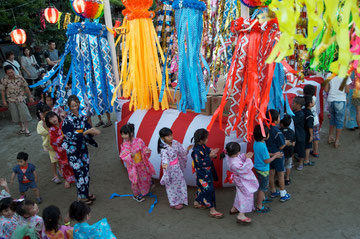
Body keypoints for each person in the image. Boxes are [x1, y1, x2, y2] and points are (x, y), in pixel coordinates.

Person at [61, 95, 100, 205]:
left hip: (82, 149)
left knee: (86, 172)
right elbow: (71, 136)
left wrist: (92, 131)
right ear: (68, 107)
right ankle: (82, 198)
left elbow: (87, 128)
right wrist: (87, 132)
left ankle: (85, 193)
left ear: (78, 104)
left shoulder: (82, 117)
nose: (74, 107)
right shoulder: (67, 120)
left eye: (75, 105)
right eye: (71, 106)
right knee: (79, 174)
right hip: (73, 151)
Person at [222, 142, 258, 224]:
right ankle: (241, 214)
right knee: (247, 194)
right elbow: (244, 169)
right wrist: (248, 159)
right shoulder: (234, 163)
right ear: (237, 152)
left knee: (240, 193)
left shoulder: (229, 157)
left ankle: (235, 208)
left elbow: (238, 158)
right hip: (242, 180)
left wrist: (245, 156)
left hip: (238, 180)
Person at [191, 129, 223, 219]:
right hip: (202, 173)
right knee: (208, 190)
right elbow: (199, 163)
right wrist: (210, 156)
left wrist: (212, 152)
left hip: (206, 173)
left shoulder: (203, 146)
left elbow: (208, 151)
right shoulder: (196, 151)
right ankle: (212, 209)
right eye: (206, 138)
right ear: (201, 140)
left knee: (201, 188)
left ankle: (197, 202)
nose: (207, 139)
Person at [120, 123, 155, 202]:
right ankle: (136, 195)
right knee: (135, 181)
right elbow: (123, 155)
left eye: (125, 134)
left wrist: (146, 151)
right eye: (122, 134)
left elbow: (143, 148)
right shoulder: (124, 145)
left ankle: (146, 188)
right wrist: (130, 155)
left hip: (141, 163)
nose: (123, 136)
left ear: (131, 133)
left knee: (144, 176)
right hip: (133, 166)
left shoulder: (139, 141)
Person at [158, 127, 190, 210]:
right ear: (162, 138)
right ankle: (174, 202)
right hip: (169, 169)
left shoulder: (175, 143)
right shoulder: (164, 149)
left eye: (171, 135)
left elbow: (181, 151)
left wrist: (186, 149)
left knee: (180, 183)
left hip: (177, 167)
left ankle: (182, 199)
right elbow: (165, 159)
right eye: (168, 136)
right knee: (171, 186)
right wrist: (165, 165)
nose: (171, 137)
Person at [253, 125, 283, 213]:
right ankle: (259, 206)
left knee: (261, 185)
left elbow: (265, 154)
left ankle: (263, 199)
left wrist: (273, 154)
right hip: (263, 170)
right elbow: (266, 160)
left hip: (258, 168)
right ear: (265, 136)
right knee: (262, 188)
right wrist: (276, 156)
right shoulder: (262, 146)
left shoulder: (257, 143)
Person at [265, 109, 291, 202]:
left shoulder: (266, 129)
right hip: (278, 155)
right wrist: (286, 142)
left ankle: (273, 191)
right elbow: (281, 145)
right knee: (280, 174)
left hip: (269, 155)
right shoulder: (277, 132)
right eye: (279, 117)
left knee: (271, 173)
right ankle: (283, 193)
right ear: (276, 120)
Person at [1, 65, 34, 136]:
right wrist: (4, 100)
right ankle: (22, 128)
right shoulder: (4, 79)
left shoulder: (19, 77)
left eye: (12, 72)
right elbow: (3, 90)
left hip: (20, 98)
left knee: (24, 114)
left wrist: (30, 96)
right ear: (6, 73)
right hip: (11, 100)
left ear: (14, 71)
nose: (11, 74)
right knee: (15, 115)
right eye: (9, 73)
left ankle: (27, 129)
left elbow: (26, 87)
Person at [46, 111, 76, 189]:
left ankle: (76, 177)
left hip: (70, 147)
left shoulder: (64, 123)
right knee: (64, 165)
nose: (53, 119)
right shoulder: (51, 130)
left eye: (54, 117)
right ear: (48, 121)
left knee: (74, 162)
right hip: (61, 150)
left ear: (57, 116)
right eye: (50, 119)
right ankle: (67, 180)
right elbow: (54, 141)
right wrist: (63, 136)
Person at [324, 74, 351, 148]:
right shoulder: (345, 75)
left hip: (331, 100)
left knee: (332, 118)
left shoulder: (329, 75)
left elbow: (326, 90)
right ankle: (337, 140)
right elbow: (347, 90)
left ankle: (330, 137)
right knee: (339, 121)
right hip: (340, 100)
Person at [37, 104, 61, 184]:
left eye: (49, 112)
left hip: (59, 143)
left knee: (61, 158)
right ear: (42, 114)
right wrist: (44, 121)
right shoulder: (41, 123)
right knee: (53, 160)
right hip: (51, 145)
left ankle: (61, 170)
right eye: (45, 113)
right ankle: (55, 175)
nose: (47, 114)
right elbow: (43, 132)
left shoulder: (54, 119)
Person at [303, 85, 320, 157]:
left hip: (309, 122)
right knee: (315, 137)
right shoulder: (314, 98)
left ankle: (305, 152)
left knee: (308, 137)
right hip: (316, 121)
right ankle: (315, 151)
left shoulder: (305, 100)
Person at [280, 115, 295, 185]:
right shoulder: (292, 132)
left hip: (282, 152)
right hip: (289, 152)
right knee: (288, 165)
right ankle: (287, 178)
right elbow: (293, 143)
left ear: (281, 124)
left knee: (282, 166)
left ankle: (281, 179)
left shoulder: (279, 132)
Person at [292, 96, 306, 170]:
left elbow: (294, 121)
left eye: (293, 103)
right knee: (293, 150)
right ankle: (292, 162)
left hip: (299, 135)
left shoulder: (300, 114)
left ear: (298, 105)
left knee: (301, 150)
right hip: (295, 134)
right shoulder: (295, 112)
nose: (292, 104)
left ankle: (301, 163)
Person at [303, 95, 315, 166]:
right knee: (307, 147)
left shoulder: (303, 111)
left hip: (302, 131)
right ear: (310, 104)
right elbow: (310, 127)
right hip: (307, 133)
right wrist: (311, 135)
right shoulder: (310, 115)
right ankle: (306, 160)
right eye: (313, 101)